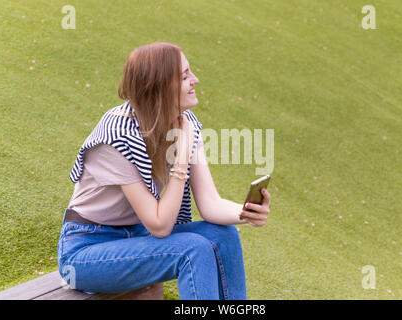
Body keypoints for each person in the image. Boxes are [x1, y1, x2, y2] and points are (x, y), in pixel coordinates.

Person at [57, 41, 271, 300]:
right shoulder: (115, 138)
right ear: (159, 88)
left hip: (136, 236)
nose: (195, 80)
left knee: (223, 235)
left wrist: (246, 212)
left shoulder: (184, 122)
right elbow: (159, 225)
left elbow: (210, 203)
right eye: (184, 76)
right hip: (87, 250)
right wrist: (181, 158)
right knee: (193, 249)